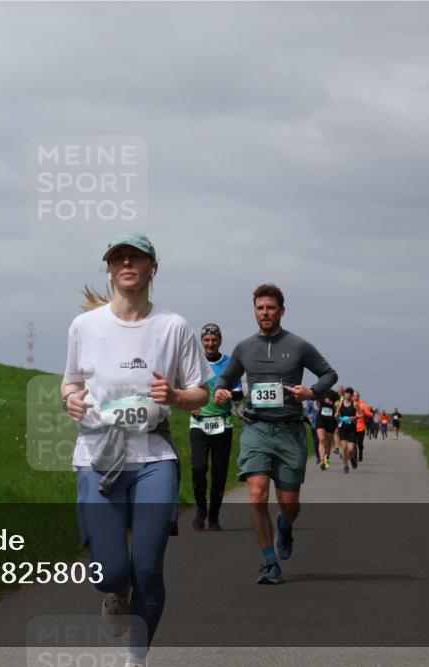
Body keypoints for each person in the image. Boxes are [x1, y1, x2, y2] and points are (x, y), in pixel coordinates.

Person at [62, 233, 210, 667]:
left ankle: (136, 658)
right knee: (110, 572)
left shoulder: (173, 326)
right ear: (109, 270)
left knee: (148, 567)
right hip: (97, 454)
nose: (127, 264)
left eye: (136, 258)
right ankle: (116, 593)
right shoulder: (84, 327)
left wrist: (178, 397)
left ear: (152, 268)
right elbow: (69, 382)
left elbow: (201, 391)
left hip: (153, 457)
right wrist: (69, 399)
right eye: (118, 258)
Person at [213, 284, 337, 584]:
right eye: (260, 308)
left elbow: (329, 374)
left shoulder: (298, 346)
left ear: (281, 311)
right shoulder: (244, 348)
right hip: (256, 428)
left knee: (289, 504)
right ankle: (270, 563)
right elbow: (225, 380)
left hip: (289, 430)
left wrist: (312, 391)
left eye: (270, 308)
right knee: (256, 495)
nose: (265, 313)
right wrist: (219, 392)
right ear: (254, 311)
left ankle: (285, 525)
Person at [189, 323, 242, 531]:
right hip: (199, 424)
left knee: (219, 472)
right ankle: (201, 510)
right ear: (202, 341)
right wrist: (189, 405)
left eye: (214, 340)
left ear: (219, 341)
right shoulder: (194, 362)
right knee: (198, 468)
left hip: (223, 423)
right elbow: (183, 389)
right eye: (206, 340)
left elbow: (240, 393)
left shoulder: (230, 363)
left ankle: (214, 515)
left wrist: (229, 394)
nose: (210, 344)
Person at [335, 388, 359, 473]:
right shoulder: (340, 404)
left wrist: (355, 417)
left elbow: (362, 415)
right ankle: (345, 465)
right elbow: (336, 414)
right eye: (347, 393)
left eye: (350, 393)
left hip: (351, 428)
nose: (348, 394)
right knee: (344, 448)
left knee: (351, 449)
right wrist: (337, 415)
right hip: (343, 428)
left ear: (352, 396)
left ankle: (352, 459)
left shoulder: (355, 404)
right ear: (344, 394)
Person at [315, 388, 339, 470]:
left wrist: (336, 412)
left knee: (328, 442)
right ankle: (322, 461)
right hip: (321, 418)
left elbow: (339, 404)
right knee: (322, 439)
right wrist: (316, 407)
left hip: (331, 420)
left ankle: (327, 461)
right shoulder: (320, 392)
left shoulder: (335, 394)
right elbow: (315, 401)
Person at [354, 391, 369, 464]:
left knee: (359, 443)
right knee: (353, 443)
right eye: (354, 395)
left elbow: (368, 414)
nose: (355, 397)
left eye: (356, 396)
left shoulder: (363, 405)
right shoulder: (350, 404)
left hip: (361, 427)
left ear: (359, 397)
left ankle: (360, 453)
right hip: (352, 427)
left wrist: (364, 412)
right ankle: (355, 456)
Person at [305, 398, 321, 465]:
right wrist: (309, 416)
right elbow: (308, 412)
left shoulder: (322, 402)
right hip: (314, 424)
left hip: (323, 424)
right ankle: (318, 457)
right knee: (316, 441)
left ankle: (326, 461)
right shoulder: (310, 403)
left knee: (324, 442)